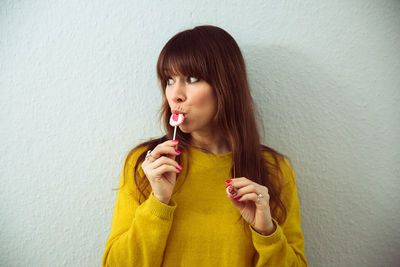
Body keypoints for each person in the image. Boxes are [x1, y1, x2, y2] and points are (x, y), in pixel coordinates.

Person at [102, 25, 307, 267]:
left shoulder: (274, 170)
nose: (175, 95)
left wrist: (266, 231)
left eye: (191, 78)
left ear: (226, 85)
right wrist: (158, 201)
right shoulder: (147, 164)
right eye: (169, 79)